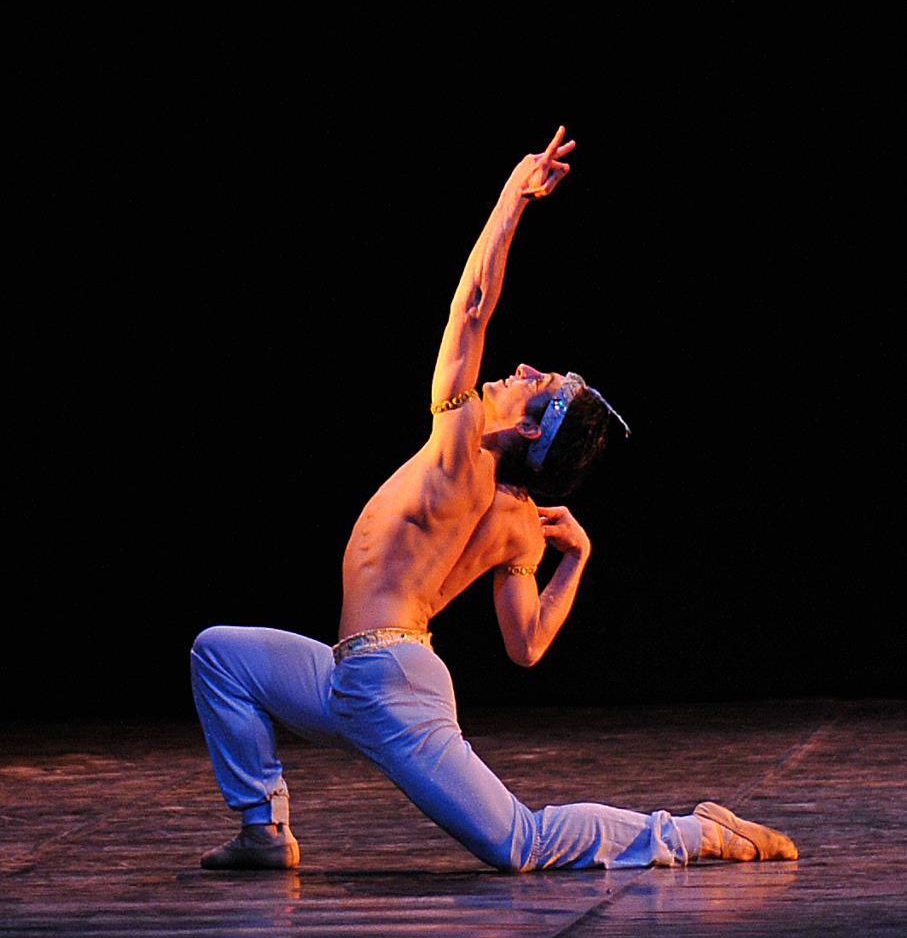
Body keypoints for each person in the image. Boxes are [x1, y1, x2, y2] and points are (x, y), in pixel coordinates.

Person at [191, 127, 798, 872]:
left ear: (530, 429)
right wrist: (574, 559)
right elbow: (527, 645)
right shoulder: (520, 525)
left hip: (390, 684)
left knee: (520, 843)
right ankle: (263, 830)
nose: (522, 369)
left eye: (537, 383)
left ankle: (693, 832)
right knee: (221, 655)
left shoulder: (464, 451)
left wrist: (514, 197)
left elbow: (472, 308)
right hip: (350, 676)